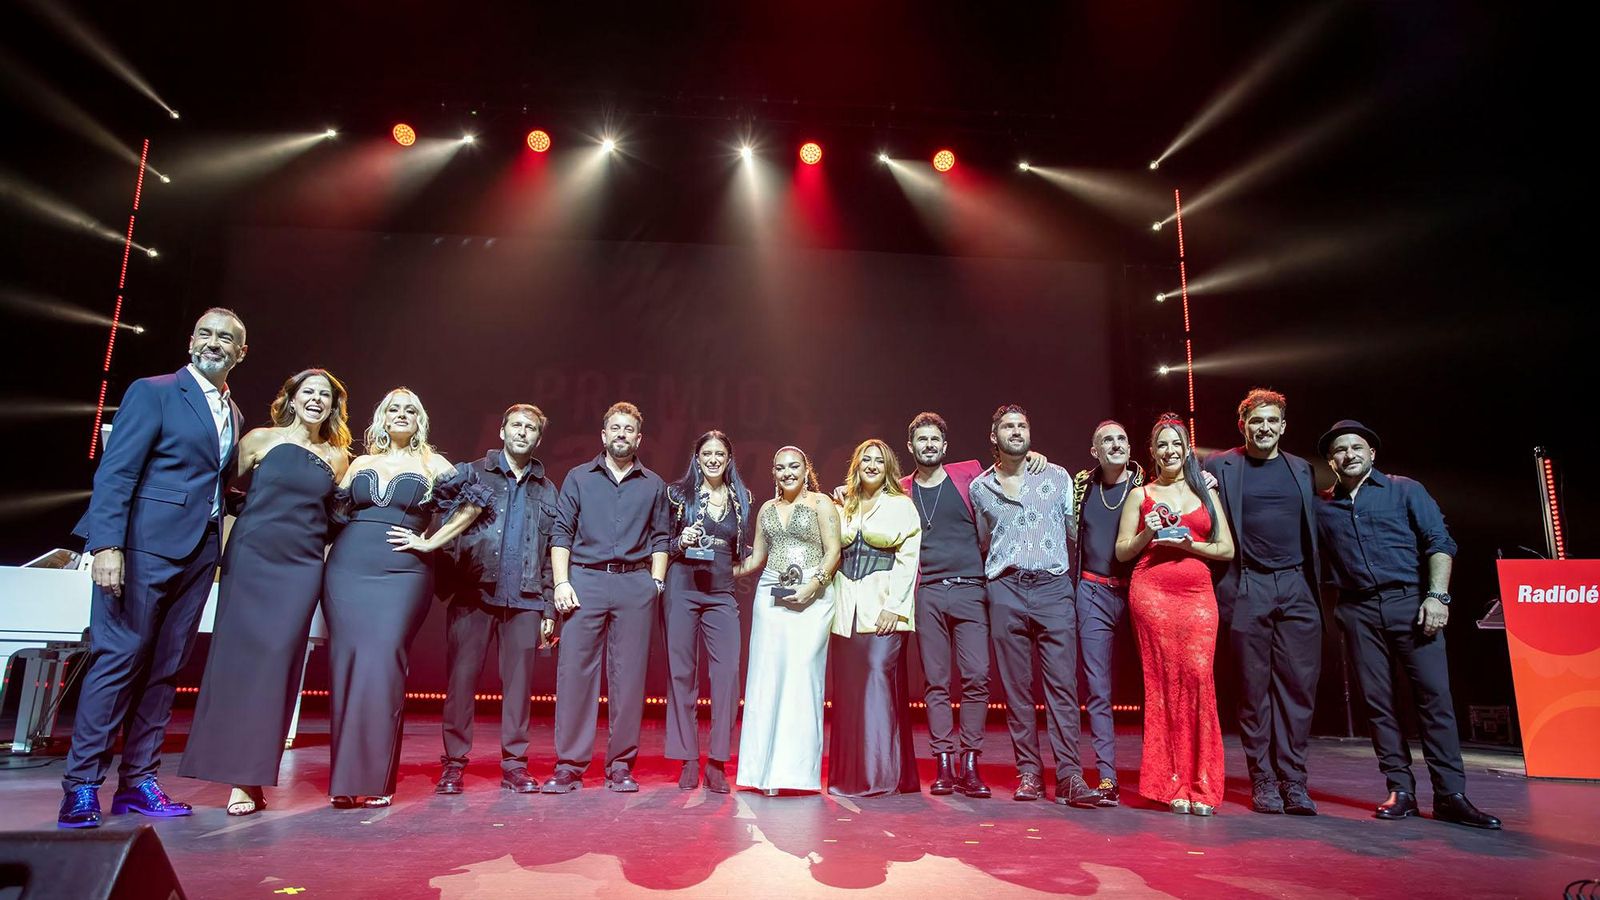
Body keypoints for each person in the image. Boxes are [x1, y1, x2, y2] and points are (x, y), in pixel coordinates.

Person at [61, 308, 248, 829]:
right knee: (117, 661)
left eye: (226, 339)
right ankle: (80, 787)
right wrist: (106, 546)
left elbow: (213, 485)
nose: (215, 343)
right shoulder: (155, 390)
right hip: (141, 549)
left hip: (197, 555)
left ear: (240, 352)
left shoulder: (232, 412)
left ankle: (139, 781)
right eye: (206, 334)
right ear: (191, 340)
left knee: (166, 670)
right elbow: (116, 472)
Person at [179, 368, 352, 816]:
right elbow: (221, 493)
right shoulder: (259, 439)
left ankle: (250, 777)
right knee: (236, 664)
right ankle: (233, 773)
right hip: (252, 558)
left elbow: (334, 522)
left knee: (278, 667)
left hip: (301, 567)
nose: (316, 400)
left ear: (333, 407)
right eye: (308, 392)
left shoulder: (337, 457)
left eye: (325, 396)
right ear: (291, 399)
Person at [1315, 420, 1500, 829]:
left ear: (1372, 453)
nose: (1349, 454)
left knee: (1435, 700)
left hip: (1411, 603)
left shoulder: (1405, 489)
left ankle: (1451, 794)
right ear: (1331, 460)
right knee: (1379, 706)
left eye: (1357, 447)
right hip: (1358, 609)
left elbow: (1439, 542)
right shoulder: (1322, 506)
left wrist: (1437, 596)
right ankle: (1401, 790)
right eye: (1340, 450)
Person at [322, 388, 490, 808]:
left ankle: (375, 779)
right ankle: (344, 781)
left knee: (384, 664)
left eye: (410, 409)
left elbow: (473, 505)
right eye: (393, 409)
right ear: (381, 417)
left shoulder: (432, 464)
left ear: (421, 420)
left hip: (402, 573)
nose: (401, 414)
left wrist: (431, 543)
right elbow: (330, 513)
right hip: (346, 570)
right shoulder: (359, 462)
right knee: (345, 665)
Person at [900, 412, 1047, 799]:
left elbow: (1009, 468)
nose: (929, 445)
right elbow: (866, 496)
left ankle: (970, 762)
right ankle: (944, 764)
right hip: (928, 592)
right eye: (922, 440)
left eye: (935, 440)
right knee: (935, 682)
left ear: (944, 447)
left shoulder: (969, 475)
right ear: (911, 446)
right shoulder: (900, 489)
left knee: (977, 677)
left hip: (970, 589)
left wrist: (1037, 459)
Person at [969, 405, 1102, 809]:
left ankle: (1069, 776)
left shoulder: (1057, 476)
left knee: (1062, 687)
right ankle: (1028, 772)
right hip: (1006, 588)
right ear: (994, 437)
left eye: (1022, 425)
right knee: (1017, 690)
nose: (1016, 431)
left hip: (1052, 588)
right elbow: (982, 539)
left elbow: (1073, 529)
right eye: (1007, 426)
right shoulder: (980, 487)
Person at [1203, 389, 1324, 815]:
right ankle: (1264, 781)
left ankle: (1294, 781)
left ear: (1284, 426)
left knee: (1297, 690)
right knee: (1253, 691)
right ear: (1243, 425)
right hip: (1248, 585)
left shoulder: (1301, 470)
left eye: (1273, 420)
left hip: (1297, 586)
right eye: (1257, 421)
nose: (1265, 428)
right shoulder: (1219, 465)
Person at [543, 402, 671, 794]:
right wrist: (562, 583)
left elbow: (661, 537)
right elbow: (561, 532)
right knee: (575, 675)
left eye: (628, 429)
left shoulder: (653, 484)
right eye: (614, 428)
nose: (621, 434)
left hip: (634, 585)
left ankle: (620, 765)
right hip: (585, 581)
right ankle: (569, 765)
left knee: (628, 678)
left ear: (638, 437)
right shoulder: (579, 478)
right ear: (603, 435)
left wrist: (656, 583)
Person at [434, 404, 559, 796]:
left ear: (539, 438)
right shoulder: (471, 474)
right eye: (516, 425)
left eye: (531, 428)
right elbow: (441, 521)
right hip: (474, 593)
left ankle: (514, 766)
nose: (522, 432)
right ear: (502, 431)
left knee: (519, 688)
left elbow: (550, 551)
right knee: (461, 683)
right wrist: (450, 576)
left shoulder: (546, 488)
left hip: (524, 600)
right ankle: (453, 766)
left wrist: (549, 605)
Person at [1115, 414, 1234, 815]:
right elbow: (1123, 551)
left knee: (1199, 679)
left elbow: (1226, 549)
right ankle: (1171, 785)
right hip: (1152, 592)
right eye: (1162, 444)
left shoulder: (1206, 493)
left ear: (1186, 450)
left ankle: (1202, 782)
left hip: (1198, 593)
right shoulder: (1140, 493)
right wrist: (1149, 531)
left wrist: (1189, 545)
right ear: (1153, 451)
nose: (1170, 450)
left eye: (1176, 444)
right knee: (1164, 685)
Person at [733, 446, 841, 795]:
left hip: (814, 596)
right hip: (772, 595)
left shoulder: (822, 503)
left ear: (806, 469)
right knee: (767, 678)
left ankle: (794, 774)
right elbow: (757, 559)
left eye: (794, 466)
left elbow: (833, 552)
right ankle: (762, 773)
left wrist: (814, 586)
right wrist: (719, 569)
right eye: (780, 468)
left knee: (801, 676)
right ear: (773, 472)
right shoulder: (766, 508)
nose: (787, 473)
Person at [828, 439, 922, 797]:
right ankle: (849, 777)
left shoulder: (901, 505)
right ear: (856, 464)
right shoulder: (843, 505)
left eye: (878, 461)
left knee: (878, 684)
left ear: (888, 469)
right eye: (865, 459)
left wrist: (894, 606)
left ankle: (881, 775)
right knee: (850, 693)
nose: (871, 465)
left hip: (884, 608)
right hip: (846, 610)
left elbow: (908, 559)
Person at [663, 431, 752, 794]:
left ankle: (717, 761)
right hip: (682, 587)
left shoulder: (742, 498)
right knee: (681, 673)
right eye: (706, 453)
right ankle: (687, 759)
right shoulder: (677, 494)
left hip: (720, 593)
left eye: (720, 453)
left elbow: (740, 552)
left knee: (727, 675)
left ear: (729, 458)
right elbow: (661, 544)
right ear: (696, 457)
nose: (713, 459)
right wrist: (678, 542)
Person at [1070, 419, 1143, 807]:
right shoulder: (1083, 487)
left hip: (1141, 593)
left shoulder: (1147, 487)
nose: (1116, 444)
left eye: (1122, 438)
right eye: (1107, 441)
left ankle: (1163, 775)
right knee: (1098, 688)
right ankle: (1108, 776)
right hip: (1093, 591)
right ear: (1095, 451)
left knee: (1155, 685)